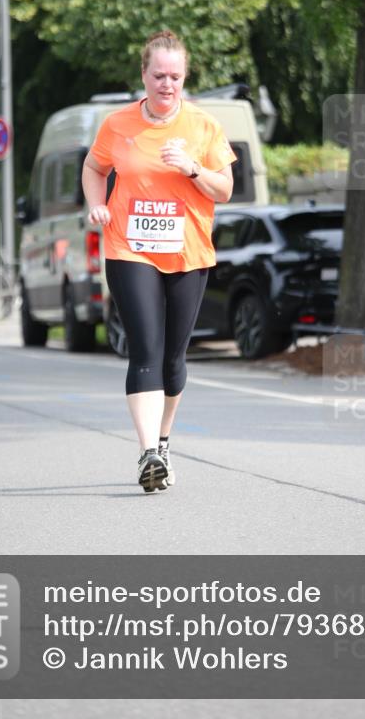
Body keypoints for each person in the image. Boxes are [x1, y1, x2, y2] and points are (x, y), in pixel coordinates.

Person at [82, 30, 236, 493]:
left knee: (173, 359)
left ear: (184, 77)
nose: (167, 84)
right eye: (159, 75)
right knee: (145, 347)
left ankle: (164, 440)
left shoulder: (204, 126)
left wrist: (192, 167)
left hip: (188, 251)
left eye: (175, 76)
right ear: (143, 75)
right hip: (129, 247)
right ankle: (148, 452)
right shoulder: (118, 124)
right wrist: (97, 204)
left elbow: (224, 190)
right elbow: (95, 168)